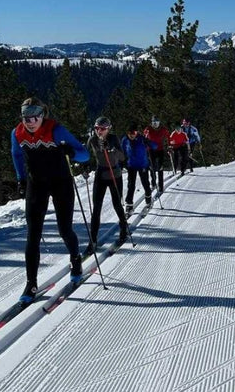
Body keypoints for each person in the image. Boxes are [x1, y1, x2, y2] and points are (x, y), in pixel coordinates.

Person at [10, 97, 89, 303]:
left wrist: (70, 152)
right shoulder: (17, 133)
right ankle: (31, 283)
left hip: (61, 183)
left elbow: (85, 155)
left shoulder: (57, 130)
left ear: (42, 115)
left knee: (64, 229)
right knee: (33, 234)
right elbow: (17, 155)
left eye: (34, 116)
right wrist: (20, 178)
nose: (30, 121)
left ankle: (75, 260)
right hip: (36, 185)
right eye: (26, 117)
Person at [84, 116, 128, 255]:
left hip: (114, 173)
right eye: (97, 128)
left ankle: (123, 229)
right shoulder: (92, 139)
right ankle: (93, 240)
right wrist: (84, 168)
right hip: (101, 174)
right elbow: (86, 155)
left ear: (108, 129)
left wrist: (112, 150)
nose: (99, 131)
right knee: (96, 208)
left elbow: (122, 157)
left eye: (102, 129)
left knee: (117, 204)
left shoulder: (114, 139)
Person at [121, 123, 155, 215]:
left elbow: (154, 146)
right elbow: (121, 152)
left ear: (137, 132)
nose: (132, 135)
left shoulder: (142, 139)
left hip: (143, 165)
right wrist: (121, 162)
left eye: (134, 132)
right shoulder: (125, 140)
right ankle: (129, 204)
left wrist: (148, 142)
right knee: (131, 184)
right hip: (131, 165)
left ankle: (148, 198)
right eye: (129, 133)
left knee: (145, 182)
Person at [144, 116, 170, 194]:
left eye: (156, 122)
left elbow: (168, 136)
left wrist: (169, 145)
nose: (155, 124)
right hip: (151, 150)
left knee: (160, 167)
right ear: (151, 123)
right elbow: (144, 137)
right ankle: (153, 182)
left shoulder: (163, 129)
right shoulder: (148, 129)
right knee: (152, 166)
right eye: (153, 123)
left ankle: (161, 186)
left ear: (159, 122)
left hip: (160, 150)